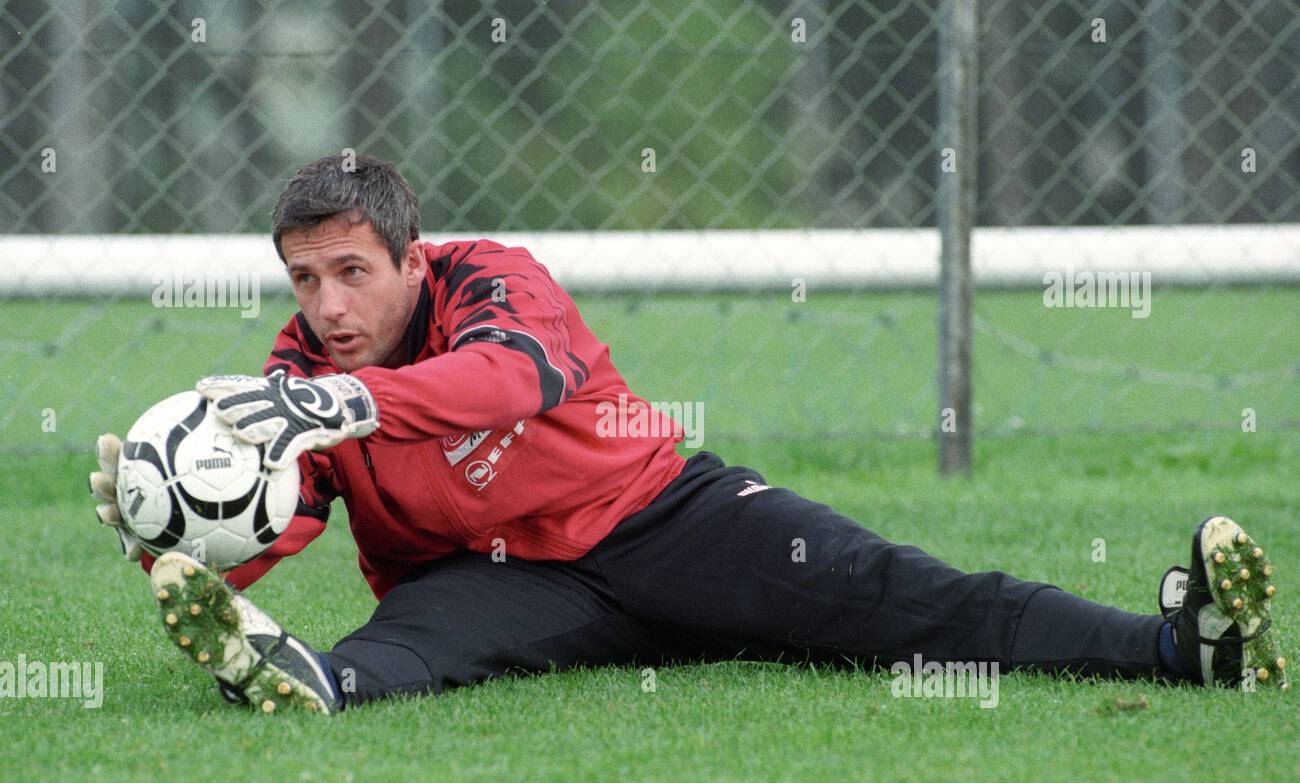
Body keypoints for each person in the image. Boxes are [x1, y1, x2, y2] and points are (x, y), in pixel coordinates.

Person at [88, 154, 1287, 714]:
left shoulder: (497, 280)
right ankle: (305, 683)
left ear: (413, 256)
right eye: (304, 279)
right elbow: (285, 514)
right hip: (493, 578)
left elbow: (508, 382)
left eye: (352, 272)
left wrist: (347, 405)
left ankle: (1183, 648)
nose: (328, 308)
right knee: (412, 646)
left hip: (665, 518)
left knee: (910, 599)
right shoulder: (292, 374)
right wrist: (163, 537)